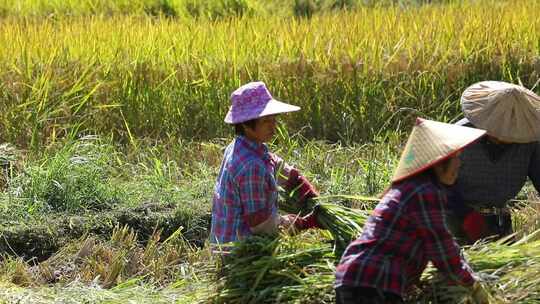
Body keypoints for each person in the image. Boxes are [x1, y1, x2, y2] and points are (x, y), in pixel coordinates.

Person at [334, 118, 488, 304]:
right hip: (373, 280)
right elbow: (442, 252)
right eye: (455, 157)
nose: (459, 164)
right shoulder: (424, 192)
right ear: (438, 163)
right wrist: (472, 285)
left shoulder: (410, 188)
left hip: (359, 277)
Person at [209, 81, 319, 249]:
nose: (274, 127)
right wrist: (300, 223)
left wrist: (298, 183)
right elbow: (261, 225)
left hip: (234, 242)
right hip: (240, 252)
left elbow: (272, 162)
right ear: (246, 124)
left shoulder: (243, 145)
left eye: (274, 119)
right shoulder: (251, 166)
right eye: (266, 121)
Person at [446, 81, 540, 243]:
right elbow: (439, 184)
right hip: (456, 222)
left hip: (500, 222)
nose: (508, 134)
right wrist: (465, 215)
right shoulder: (458, 135)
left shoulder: (529, 141)